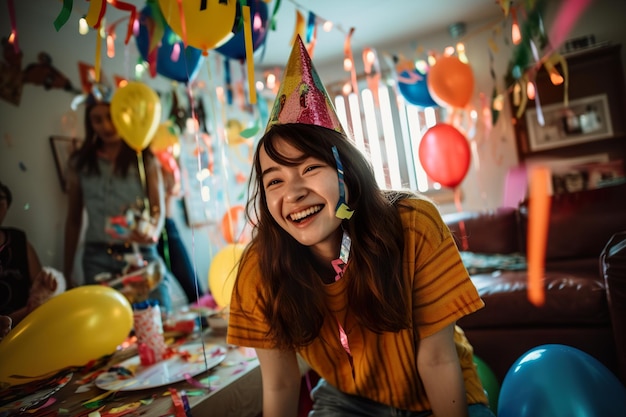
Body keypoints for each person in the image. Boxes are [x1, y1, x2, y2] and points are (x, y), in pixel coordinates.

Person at [226, 36, 495, 417]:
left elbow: (437, 360)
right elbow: (281, 382)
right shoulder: (260, 268)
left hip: (439, 392)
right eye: (275, 181)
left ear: (346, 174)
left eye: (309, 168)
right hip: (348, 402)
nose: (294, 193)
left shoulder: (414, 225)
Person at [63, 90, 175, 314]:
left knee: (158, 322)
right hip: (97, 258)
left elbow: (158, 208)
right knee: (108, 335)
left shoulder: (144, 157)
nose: (105, 126)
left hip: (140, 254)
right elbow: (74, 219)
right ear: (89, 122)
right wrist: (66, 270)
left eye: (110, 117)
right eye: (97, 119)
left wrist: (153, 230)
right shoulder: (81, 163)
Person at [0, 181, 59, 340]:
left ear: (7, 205)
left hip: (30, 328)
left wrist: (46, 293)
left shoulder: (19, 241)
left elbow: (42, 293)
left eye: (1, 199)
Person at [155, 148, 204, 304]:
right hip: (147, 234)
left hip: (166, 227)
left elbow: (171, 192)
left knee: (195, 292)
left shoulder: (159, 161)